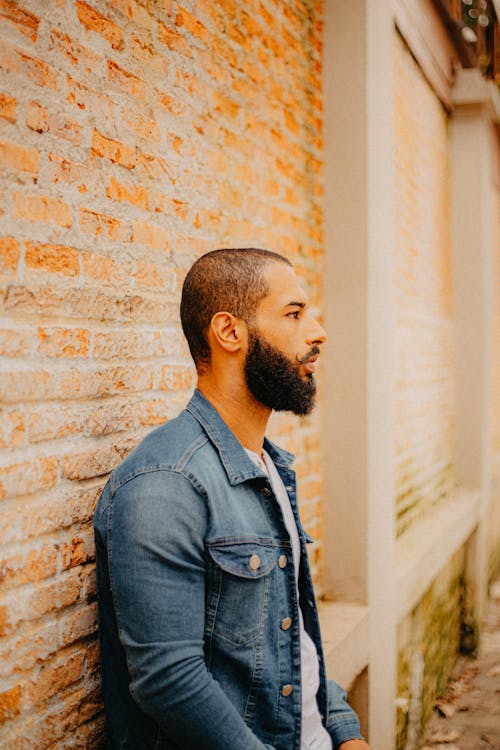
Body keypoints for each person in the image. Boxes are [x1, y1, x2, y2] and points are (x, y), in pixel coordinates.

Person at [94, 248, 370, 750]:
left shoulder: (268, 466)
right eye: (294, 314)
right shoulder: (166, 484)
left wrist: (344, 732)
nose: (318, 333)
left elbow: (293, 636)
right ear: (229, 332)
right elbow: (169, 681)